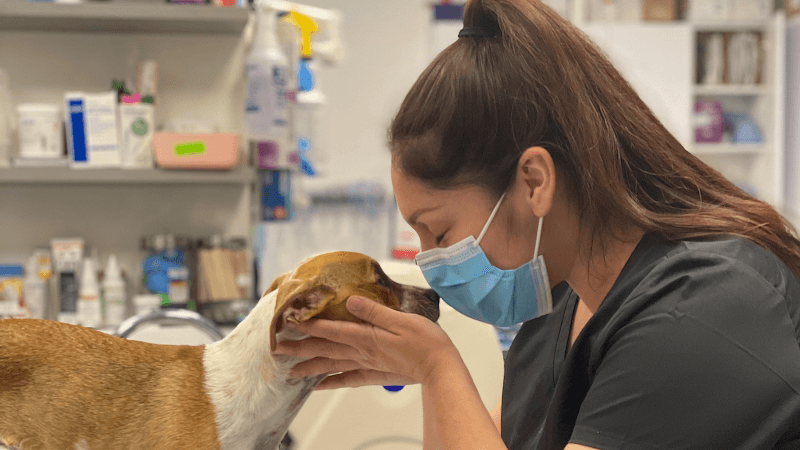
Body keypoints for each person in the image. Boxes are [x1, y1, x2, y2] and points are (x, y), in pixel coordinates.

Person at [270, 0, 800, 448]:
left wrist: (437, 369)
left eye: (439, 233)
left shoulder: (704, 310)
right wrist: (426, 376)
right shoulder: (557, 305)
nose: (430, 263)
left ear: (533, 182)